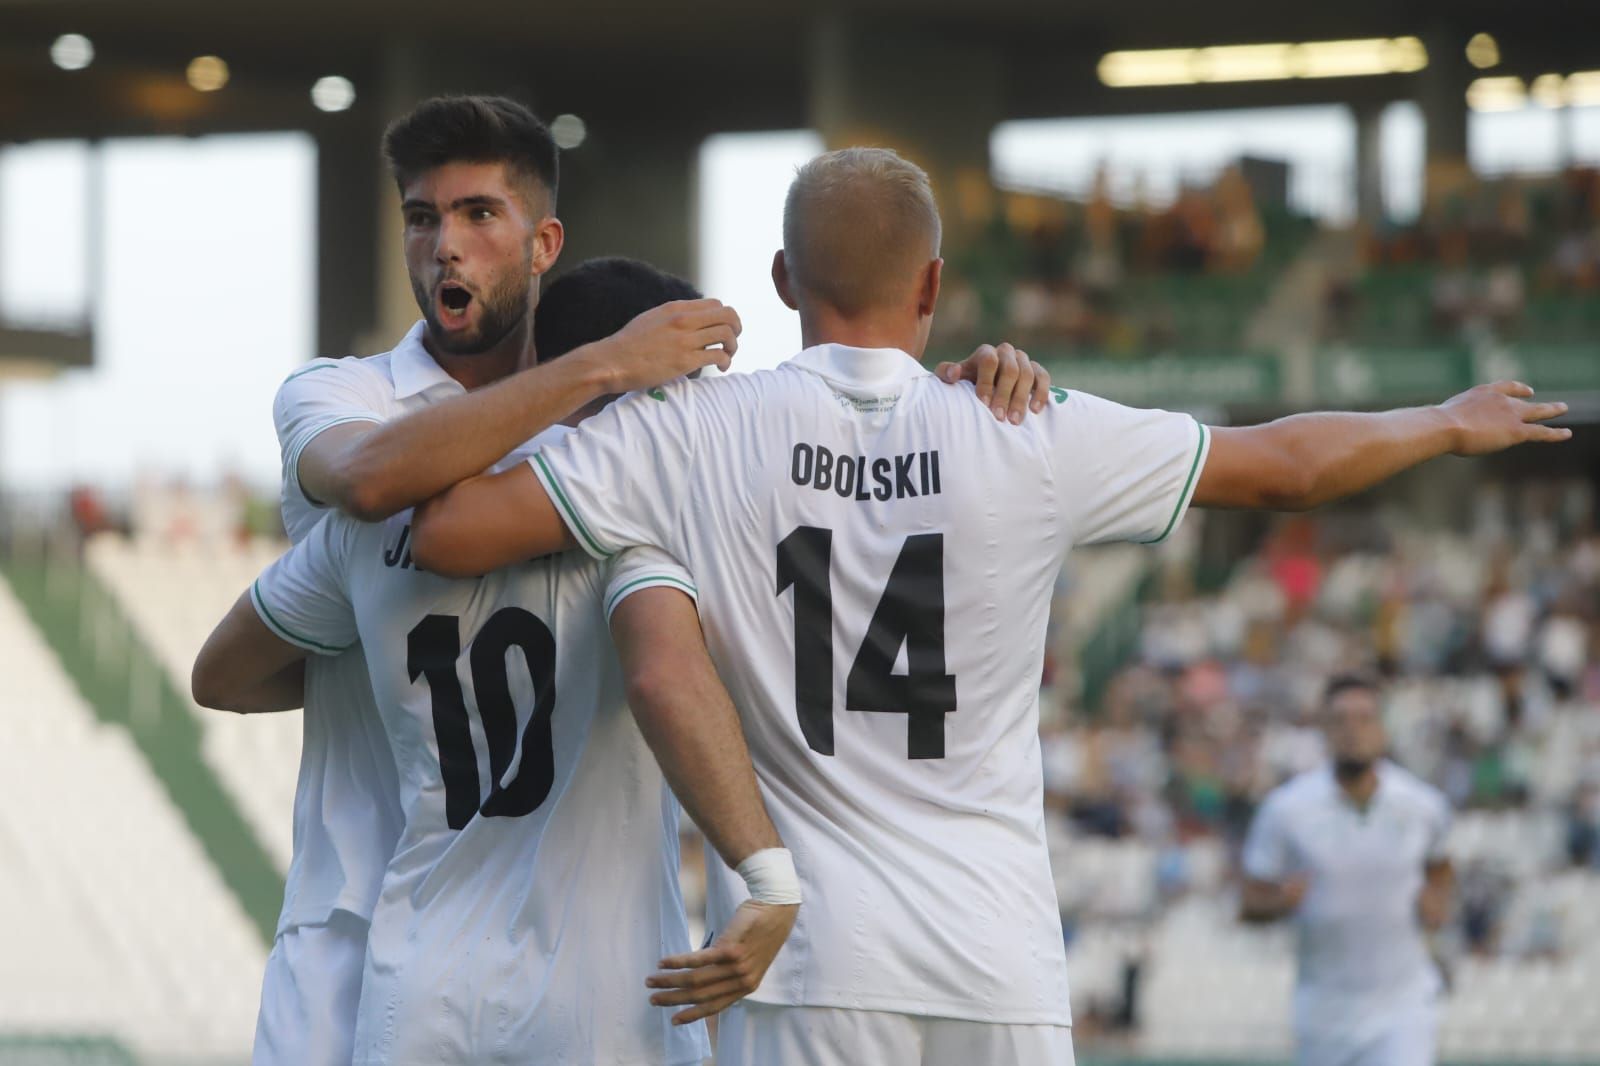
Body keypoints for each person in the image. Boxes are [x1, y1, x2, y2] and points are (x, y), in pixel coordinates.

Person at [406, 146, 1566, 1065]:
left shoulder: (689, 431)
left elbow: (447, 529)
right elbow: (1286, 466)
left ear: (781, 281)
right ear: (932, 287)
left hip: (811, 958)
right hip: (997, 960)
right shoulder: (1027, 427)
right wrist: (1441, 421)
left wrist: (594, 376)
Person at [194, 254, 809, 1063]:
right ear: (642, 389)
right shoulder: (641, 532)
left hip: (420, 987)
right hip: (605, 997)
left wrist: (384, 661)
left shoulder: (376, 526)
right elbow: (665, 678)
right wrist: (769, 878)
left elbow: (221, 675)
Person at [1241, 675, 1456, 1066]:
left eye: (1364, 719)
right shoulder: (1286, 810)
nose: (1352, 731)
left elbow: (1440, 866)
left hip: (1402, 1005)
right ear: (1323, 730)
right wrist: (1281, 901)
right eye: (1340, 720)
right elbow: (1250, 900)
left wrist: (1436, 901)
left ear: (1382, 729)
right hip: (1323, 1012)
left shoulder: (1422, 806)